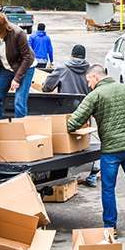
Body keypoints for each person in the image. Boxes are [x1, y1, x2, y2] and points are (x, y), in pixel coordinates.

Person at [67, 64, 125, 239]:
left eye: (89, 81)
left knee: (108, 189)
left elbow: (73, 123)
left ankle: (111, 227)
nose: (88, 85)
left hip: (110, 151)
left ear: (96, 77)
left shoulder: (95, 95)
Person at [43, 44, 95, 186]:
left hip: (66, 113)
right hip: (85, 111)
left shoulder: (63, 69)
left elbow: (47, 87)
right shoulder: (90, 71)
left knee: (65, 143)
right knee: (85, 142)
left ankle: (66, 177)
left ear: (72, 56)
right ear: (83, 57)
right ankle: (90, 177)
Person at [0, 12, 36, 121]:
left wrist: (17, 78)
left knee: (19, 101)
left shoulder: (18, 33)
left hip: (25, 67)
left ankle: (20, 131)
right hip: (6, 68)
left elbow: (27, 57)